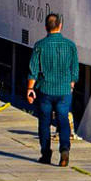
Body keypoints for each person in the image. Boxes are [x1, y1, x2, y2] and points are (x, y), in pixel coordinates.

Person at [27, 12, 80, 167]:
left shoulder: (40, 45)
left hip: (45, 90)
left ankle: (46, 154)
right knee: (63, 120)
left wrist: (30, 89)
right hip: (64, 91)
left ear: (46, 27)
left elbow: (33, 70)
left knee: (44, 122)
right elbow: (75, 70)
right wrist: (71, 83)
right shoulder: (70, 46)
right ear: (60, 26)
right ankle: (64, 151)